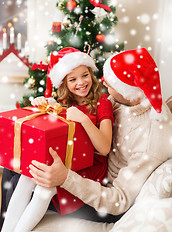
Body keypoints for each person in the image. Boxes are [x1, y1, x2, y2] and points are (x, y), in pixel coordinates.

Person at [27, 48, 172, 226]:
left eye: (110, 82)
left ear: (125, 88)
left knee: (28, 181)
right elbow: (82, 109)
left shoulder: (149, 141)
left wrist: (65, 178)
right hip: (90, 170)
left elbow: (119, 200)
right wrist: (49, 103)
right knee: (16, 171)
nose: (103, 82)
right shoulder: (123, 99)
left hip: (107, 199)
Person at [1, 47, 115, 232]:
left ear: (91, 74)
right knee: (27, 176)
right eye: (72, 79)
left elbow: (104, 148)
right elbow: (49, 134)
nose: (81, 83)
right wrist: (42, 106)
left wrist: (83, 119)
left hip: (89, 170)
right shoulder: (64, 103)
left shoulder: (103, 102)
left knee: (43, 191)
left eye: (85, 75)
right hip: (65, 163)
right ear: (64, 83)